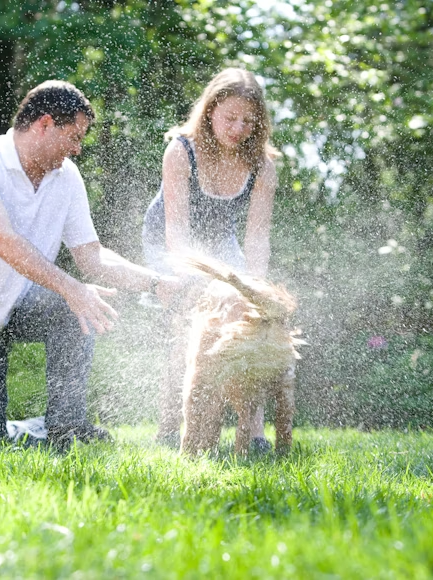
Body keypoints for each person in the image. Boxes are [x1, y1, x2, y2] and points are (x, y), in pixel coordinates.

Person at [0, 80, 178, 447]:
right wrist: (72, 287)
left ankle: (65, 430)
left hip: (20, 302)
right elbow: (2, 241)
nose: (78, 149)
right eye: (74, 136)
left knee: (74, 307)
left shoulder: (66, 177)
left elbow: (91, 256)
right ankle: (29, 429)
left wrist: (155, 282)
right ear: (45, 124)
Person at [142, 68, 279, 450]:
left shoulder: (263, 166)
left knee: (248, 322)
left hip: (222, 243)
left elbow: (257, 237)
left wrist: (254, 290)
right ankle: (171, 429)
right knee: (190, 324)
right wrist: (196, 284)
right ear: (209, 111)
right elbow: (177, 233)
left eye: (247, 121)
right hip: (170, 241)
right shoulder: (181, 150)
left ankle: (253, 435)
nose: (238, 128)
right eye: (229, 117)